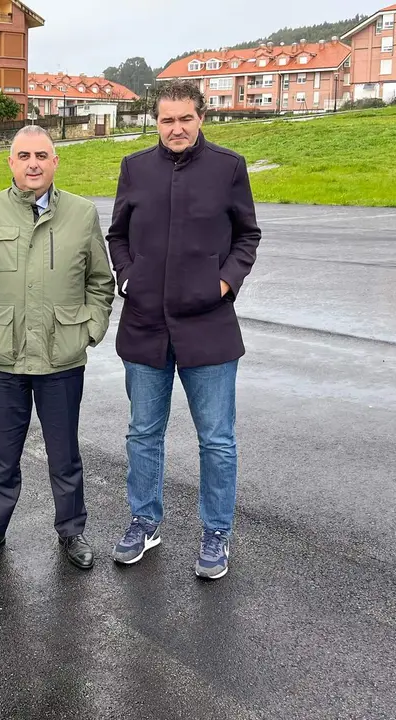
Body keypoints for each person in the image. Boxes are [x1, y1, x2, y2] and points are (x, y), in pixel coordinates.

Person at [106, 80, 261, 579]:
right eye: (167, 120)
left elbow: (247, 234)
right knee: (143, 433)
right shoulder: (134, 168)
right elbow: (117, 234)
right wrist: (128, 275)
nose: (176, 128)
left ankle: (217, 533)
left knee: (217, 439)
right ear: (156, 122)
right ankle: (144, 522)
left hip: (209, 326)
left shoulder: (228, 167)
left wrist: (224, 283)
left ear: (201, 118)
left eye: (185, 119)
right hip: (145, 323)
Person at [0, 125, 115, 571]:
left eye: (42, 155)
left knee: (65, 452)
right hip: (3, 356)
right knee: (2, 452)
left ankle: (72, 531)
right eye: (24, 156)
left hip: (62, 357)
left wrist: (89, 330)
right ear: (11, 163)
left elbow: (102, 281)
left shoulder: (81, 214)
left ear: (56, 162)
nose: (33, 164)